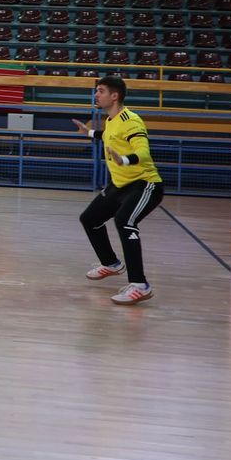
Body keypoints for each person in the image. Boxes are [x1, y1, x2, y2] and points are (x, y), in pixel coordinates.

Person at [75, 76, 165, 305]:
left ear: (114, 96)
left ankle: (140, 285)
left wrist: (124, 159)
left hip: (145, 184)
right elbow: (107, 136)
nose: (96, 94)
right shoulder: (111, 119)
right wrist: (88, 133)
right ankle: (111, 263)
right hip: (120, 186)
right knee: (89, 219)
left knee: (125, 222)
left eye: (101, 91)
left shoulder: (131, 120)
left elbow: (143, 152)